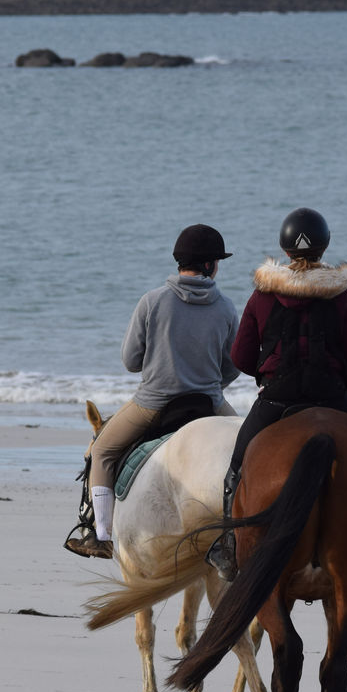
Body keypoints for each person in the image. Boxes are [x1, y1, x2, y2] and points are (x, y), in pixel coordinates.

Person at [204, 207, 347, 582]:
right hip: (332, 399)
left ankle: (228, 547)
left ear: (285, 250)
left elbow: (240, 357)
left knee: (238, 465)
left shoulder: (262, 295)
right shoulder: (340, 297)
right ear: (322, 248)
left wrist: (267, 373)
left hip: (276, 400)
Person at [65, 224, 241, 558]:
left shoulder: (152, 301)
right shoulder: (226, 307)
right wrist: (210, 385)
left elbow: (130, 360)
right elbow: (233, 364)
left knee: (101, 451)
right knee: (249, 449)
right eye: (217, 261)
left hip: (154, 404)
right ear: (208, 265)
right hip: (208, 404)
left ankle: (98, 534)